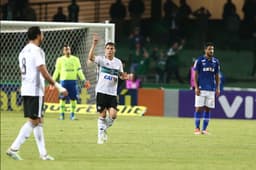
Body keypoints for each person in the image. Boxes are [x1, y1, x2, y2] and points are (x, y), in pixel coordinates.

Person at [6, 26, 68, 160]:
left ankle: (43, 154)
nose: (43, 36)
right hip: (35, 90)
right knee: (34, 121)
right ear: (38, 35)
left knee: (38, 120)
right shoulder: (37, 50)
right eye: (42, 34)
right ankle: (13, 148)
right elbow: (42, 70)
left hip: (26, 88)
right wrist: (58, 86)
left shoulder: (22, 51)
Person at [88, 33, 131, 144]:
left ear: (114, 50)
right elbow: (90, 57)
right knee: (102, 115)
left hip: (112, 93)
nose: (109, 50)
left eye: (111, 48)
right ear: (105, 50)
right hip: (101, 91)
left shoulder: (118, 62)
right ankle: (100, 136)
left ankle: (103, 129)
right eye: (107, 48)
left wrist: (124, 77)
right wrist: (94, 44)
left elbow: (120, 75)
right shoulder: (101, 60)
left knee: (113, 115)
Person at [52, 45, 90, 120]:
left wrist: (84, 80)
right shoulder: (60, 60)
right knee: (62, 99)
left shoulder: (75, 59)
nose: (67, 51)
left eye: (68, 49)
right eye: (66, 50)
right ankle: (61, 115)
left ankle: (72, 115)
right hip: (63, 82)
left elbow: (79, 71)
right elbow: (57, 71)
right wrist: (52, 81)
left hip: (73, 82)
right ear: (63, 51)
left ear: (70, 50)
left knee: (73, 98)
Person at [193, 42, 220, 135]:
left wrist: (217, 88)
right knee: (198, 108)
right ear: (205, 50)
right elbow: (195, 75)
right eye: (209, 49)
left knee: (208, 109)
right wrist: (196, 87)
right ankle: (196, 128)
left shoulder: (216, 61)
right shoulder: (199, 60)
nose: (211, 51)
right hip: (201, 88)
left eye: (212, 49)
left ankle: (204, 129)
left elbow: (217, 76)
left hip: (211, 89)